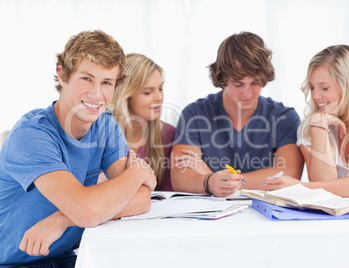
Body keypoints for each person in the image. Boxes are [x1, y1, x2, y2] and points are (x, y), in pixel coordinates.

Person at [0, 30, 156, 267]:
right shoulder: (31, 135)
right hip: (15, 263)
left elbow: (142, 197)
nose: (96, 94)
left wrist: (62, 219)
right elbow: (88, 211)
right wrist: (138, 172)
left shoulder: (104, 125)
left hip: (66, 258)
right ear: (62, 75)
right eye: (86, 79)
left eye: (106, 83)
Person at [172, 31, 304, 197]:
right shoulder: (195, 114)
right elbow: (180, 177)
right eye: (238, 84)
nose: (247, 93)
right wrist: (210, 182)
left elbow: (288, 175)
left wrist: (213, 178)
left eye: (255, 83)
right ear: (222, 79)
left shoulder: (284, 118)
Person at [264, 44, 349, 197]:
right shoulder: (311, 126)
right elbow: (323, 187)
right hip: (332, 220)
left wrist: (301, 187)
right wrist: (319, 126)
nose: (316, 96)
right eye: (312, 88)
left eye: (324, 88)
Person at [108, 53, 175, 191]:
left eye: (160, 89)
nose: (159, 97)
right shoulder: (102, 133)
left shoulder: (168, 134)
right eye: (147, 92)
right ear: (126, 96)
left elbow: (170, 192)